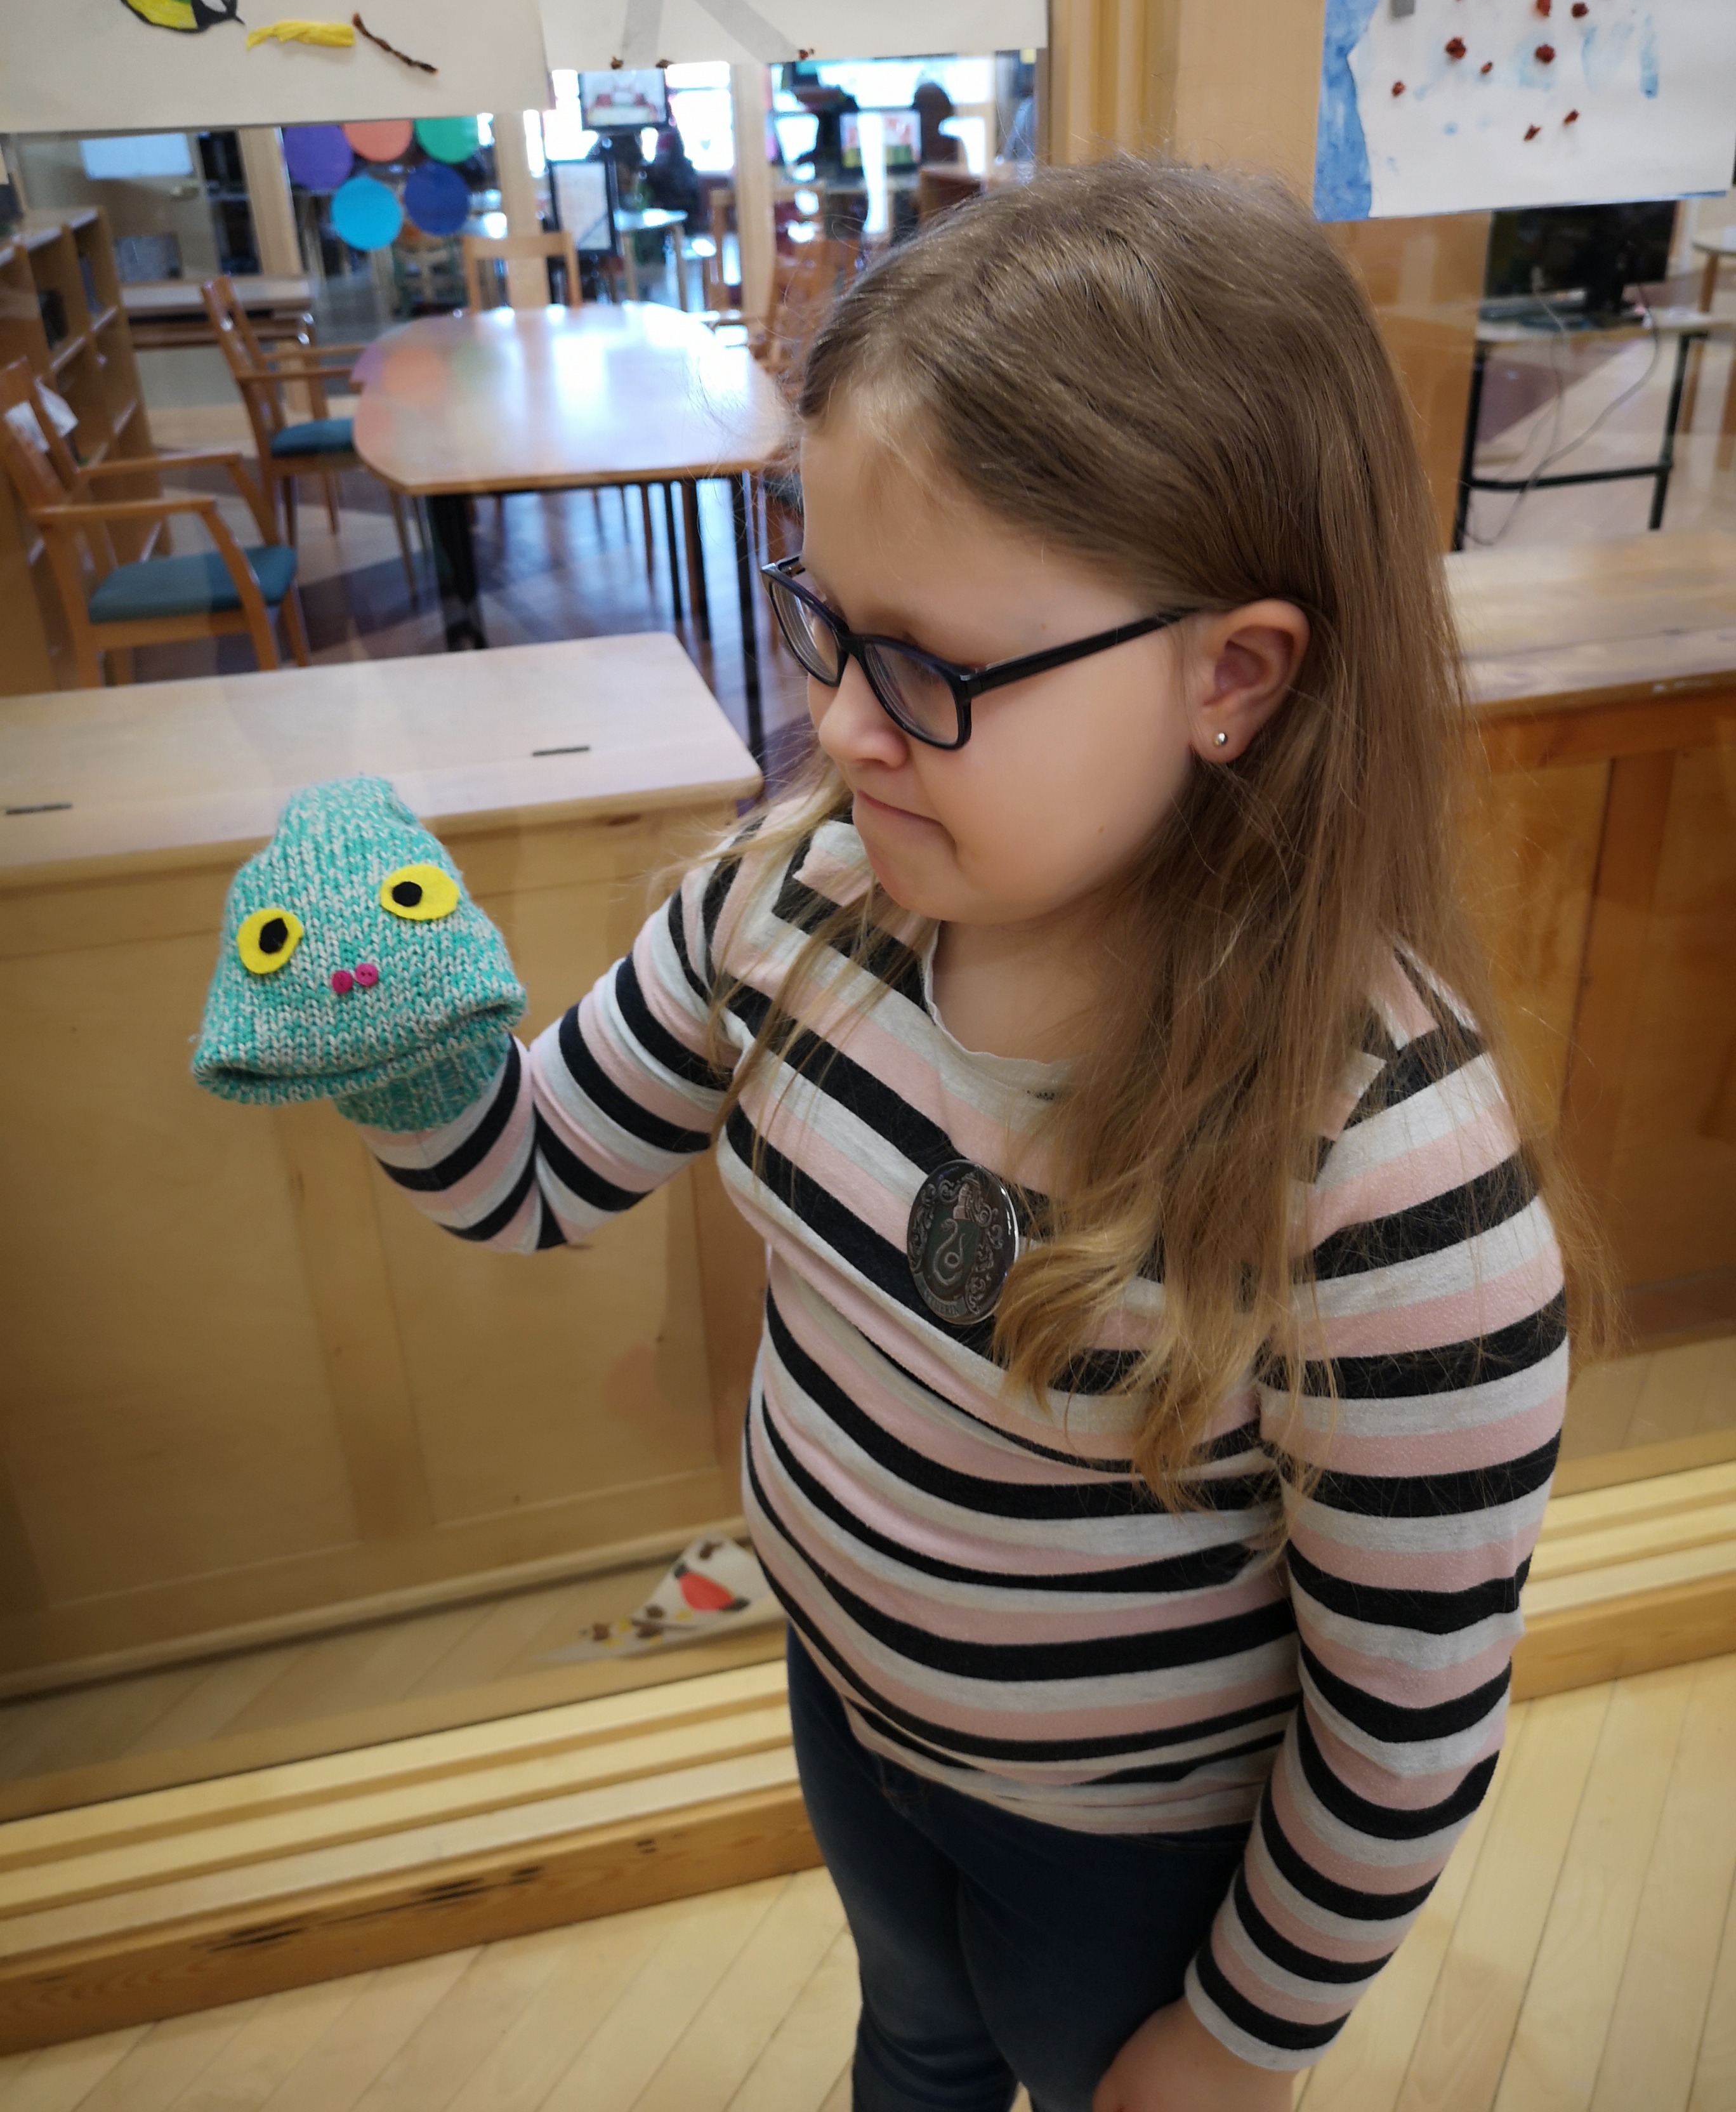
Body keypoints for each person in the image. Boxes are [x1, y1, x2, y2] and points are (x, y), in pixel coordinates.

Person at [197, 163, 1599, 2112]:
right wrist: (403, 1047)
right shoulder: (789, 907)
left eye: (931, 667)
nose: (847, 727)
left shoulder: (1389, 1182)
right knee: (915, 2045)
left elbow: (1406, 1722)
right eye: (828, 624)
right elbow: (532, 1177)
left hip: (1130, 1857)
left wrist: (1237, 2035)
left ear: (1230, 674)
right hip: (848, 1717)